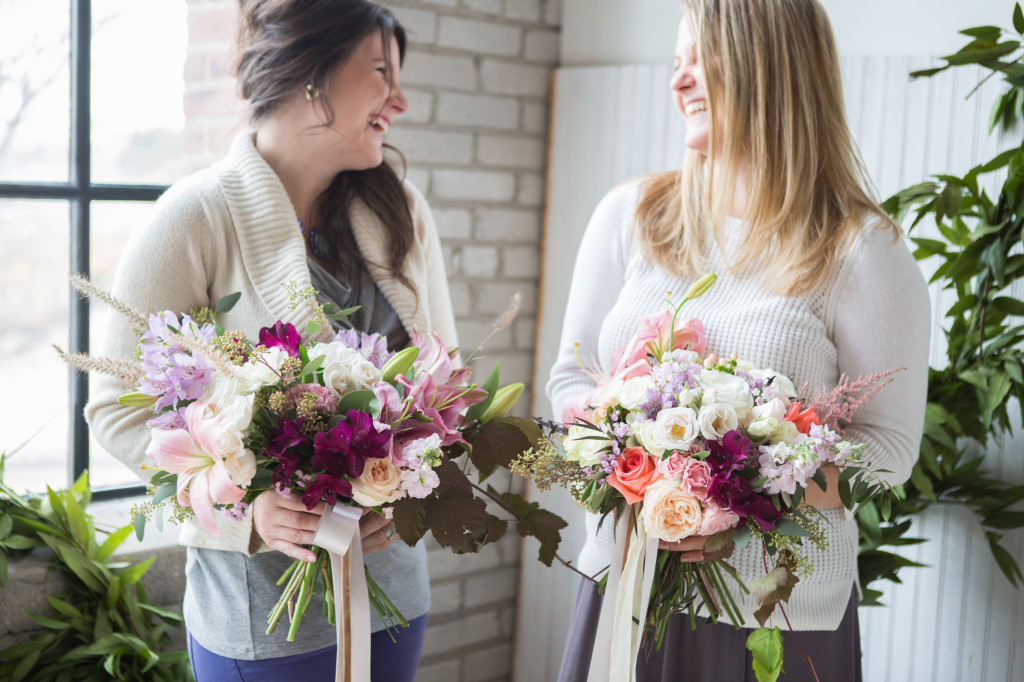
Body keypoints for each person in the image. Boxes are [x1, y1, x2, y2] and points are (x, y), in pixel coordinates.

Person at [547, 0, 930, 680]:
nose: (680, 82)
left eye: (702, 60)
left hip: (771, 616)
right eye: (675, 64)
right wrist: (645, 467)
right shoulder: (629, 218)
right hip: (626, 583)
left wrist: (739, 492)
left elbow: (890, 451)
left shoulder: (861, 252)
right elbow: (570, 382)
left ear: (771, 67)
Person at [86, 1, 457, 679]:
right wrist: (246, 514)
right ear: (310, 71)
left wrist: (409, 494)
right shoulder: (194, 218)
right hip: (265, 626)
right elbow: (117, 408)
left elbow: (445, 391)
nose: (399, 100)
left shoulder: (401, 211)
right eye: (380, 72)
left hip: (395, 601)